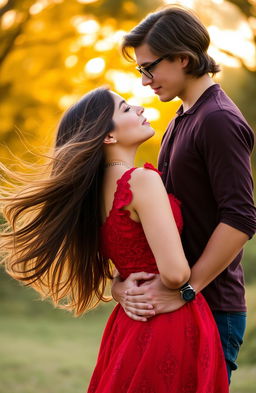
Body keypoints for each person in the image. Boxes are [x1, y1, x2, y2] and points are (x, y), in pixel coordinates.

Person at [0, 87, 229, 392]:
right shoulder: (142, 181)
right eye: (124, 108)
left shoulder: (94, 197)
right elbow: (175, 274)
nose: (138, 108)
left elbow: (124, 256)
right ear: (108, 136)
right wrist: (181, 284)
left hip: (130, 321)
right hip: (168, 319)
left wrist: (118, 285)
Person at [112, 5, 256, 384]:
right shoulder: (181, 117)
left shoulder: (218, 120)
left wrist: (189, 289)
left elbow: (240, 218)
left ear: (183, 58)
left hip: (212, 304)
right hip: (176, 299)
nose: (144, 81)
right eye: (139, 70)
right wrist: (120, 282)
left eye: (149, 68)